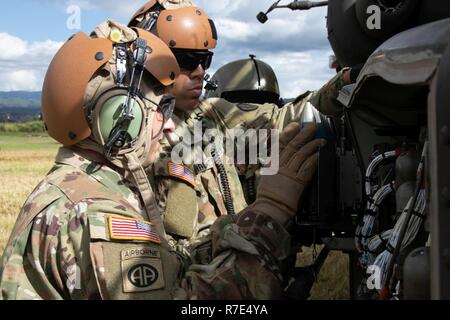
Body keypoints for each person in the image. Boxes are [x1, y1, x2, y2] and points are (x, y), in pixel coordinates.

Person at [0, 20, 323, 300]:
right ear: (119, 117)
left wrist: (229, 231)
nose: (170, 125)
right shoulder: (94, 215)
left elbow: (173, 264)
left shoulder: (92, 185)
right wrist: (272, 208)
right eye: (161, 110)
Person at [128, 2, 356, 249]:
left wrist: (344, 82)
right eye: (188, 60)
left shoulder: (211, 115)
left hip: (233, 267)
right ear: (150, 59)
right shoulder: (130, 134)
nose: (200, 72)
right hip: (193, 278)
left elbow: (282, 120)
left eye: (205, 59)